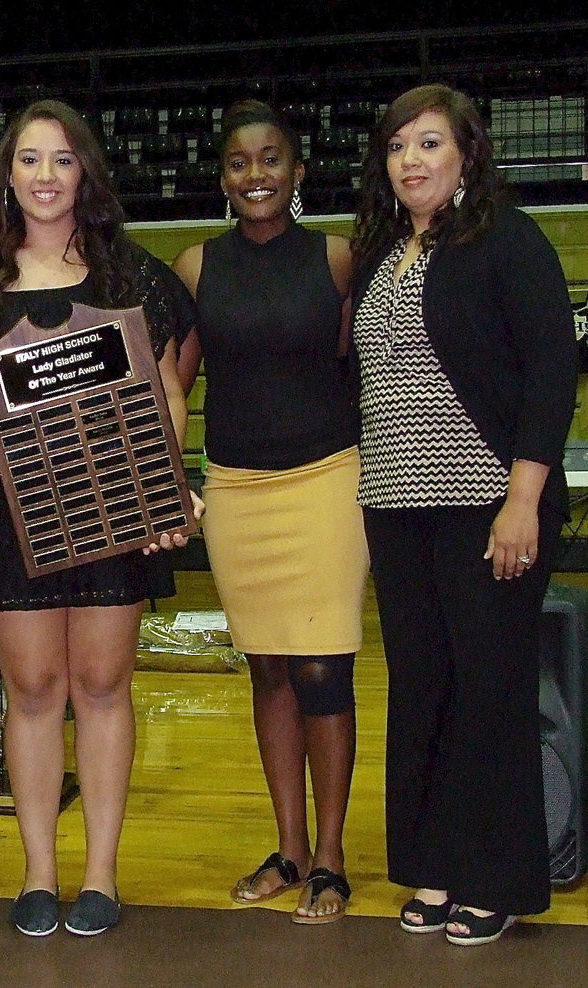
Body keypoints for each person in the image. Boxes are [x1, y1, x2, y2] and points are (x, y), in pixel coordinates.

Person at [0, 99, 197, 938]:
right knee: (32, 691)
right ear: (7, 174)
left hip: (114, 511)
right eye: (29, 160)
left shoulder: (132, 274)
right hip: (8, 512)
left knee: (99, 686)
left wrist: (166, 493)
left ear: (85, 171)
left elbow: (167, 397)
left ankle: (99, 874)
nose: (46, 177)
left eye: (62, 160)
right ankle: (37, 873)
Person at [351, 83, 576, 946]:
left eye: (430, 144)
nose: (412, 160)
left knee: (491, 691)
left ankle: (500, 876)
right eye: (399, 145)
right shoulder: (381, 254)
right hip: (397, 507)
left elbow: (552, 370)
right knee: (425, 690)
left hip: (488, 504)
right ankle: (437, 863)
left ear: (467, 155)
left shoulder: (506, 241)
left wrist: (522, 500)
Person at [172, 100, 367, 925]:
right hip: (239, 494)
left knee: (323, 666)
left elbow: (376, 370)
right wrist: (168, 481)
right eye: (239, 163)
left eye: (271, 159)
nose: (255, 175)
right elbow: (170, 386)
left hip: (325, 483)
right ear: (223, 179)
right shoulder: (193, 267)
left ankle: (331, 855)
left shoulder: (337, 260)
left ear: (297, 170)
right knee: (270, 668)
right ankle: (288, 848)